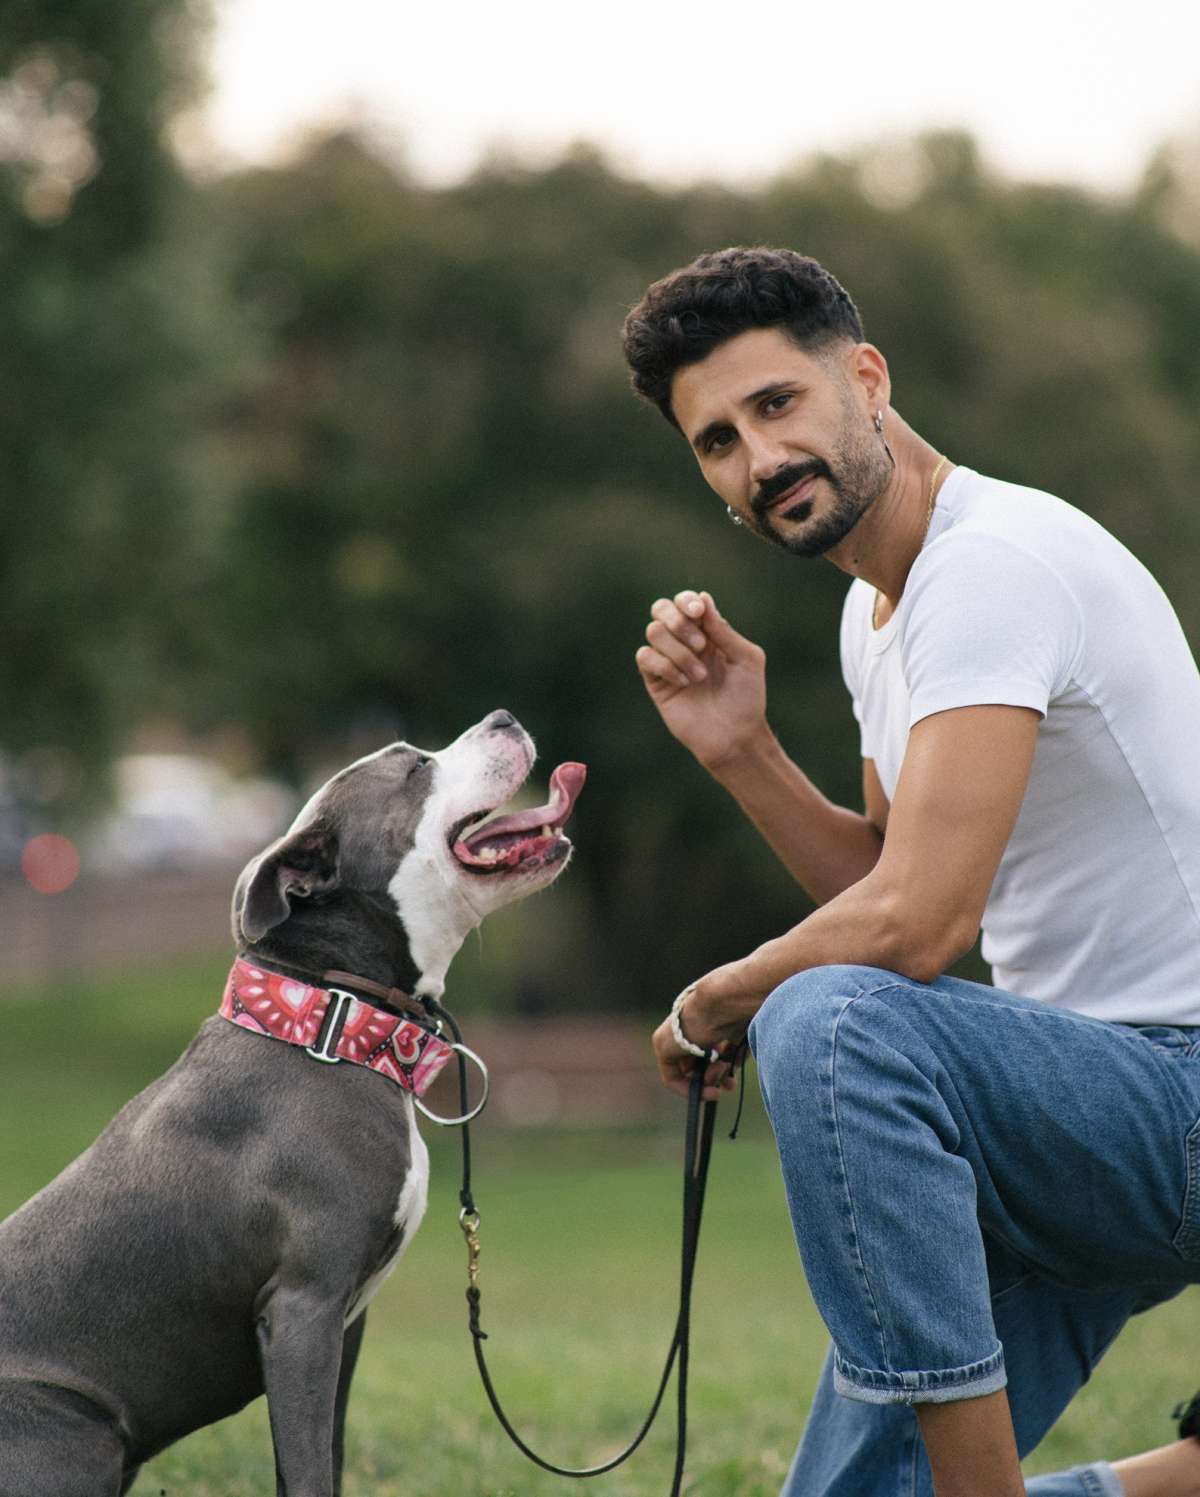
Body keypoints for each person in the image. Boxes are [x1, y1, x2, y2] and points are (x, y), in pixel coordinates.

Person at [622, 245, 1200, 1497]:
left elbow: (916, 930)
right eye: (716, 440)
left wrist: (721, 996)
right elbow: (895, 874)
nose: (759, 459)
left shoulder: (990, 568)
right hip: (1070, 1098)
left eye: (777, 405)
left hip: (1177, 1091)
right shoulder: (875, 610)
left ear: (865, 380)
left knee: (827, 1018)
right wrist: (745, 751)